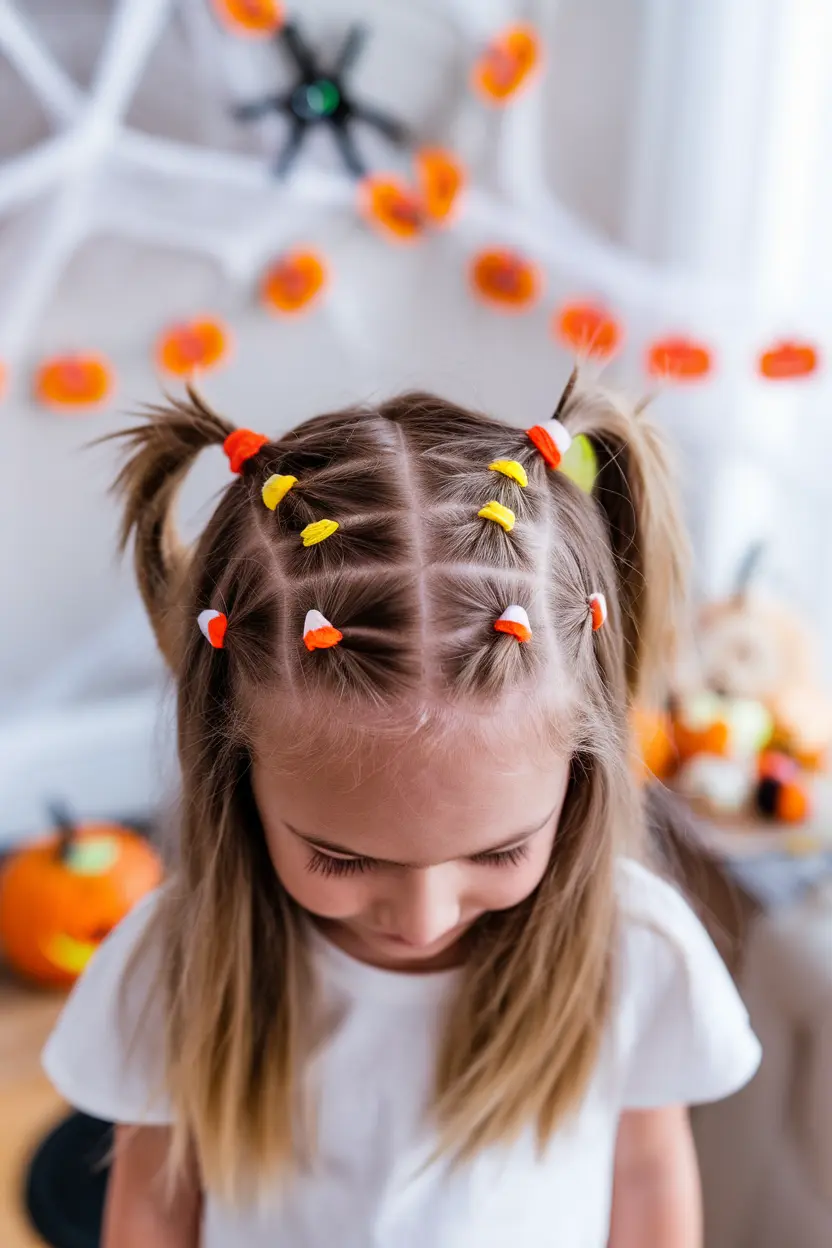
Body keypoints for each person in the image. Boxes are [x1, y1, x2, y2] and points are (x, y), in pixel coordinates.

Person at [43, 376, 761, 1248]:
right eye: (343, 860)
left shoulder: (637, 957)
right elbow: (155, 1205)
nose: (422, 917)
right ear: (235, 779)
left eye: (498, 853)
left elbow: (647, 1174)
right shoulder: (175, 966)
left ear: (581, 780)